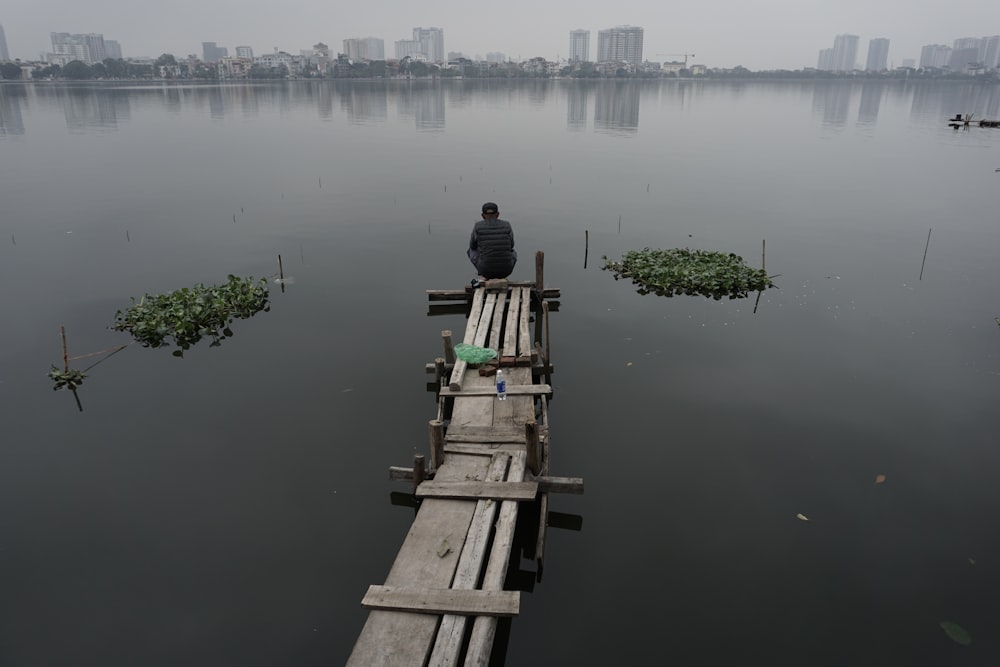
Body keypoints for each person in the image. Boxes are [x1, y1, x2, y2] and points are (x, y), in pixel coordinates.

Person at [467, 202, 517, 281]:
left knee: (471, 250)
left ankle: (482, 273)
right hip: (506, 271)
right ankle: (501, 275)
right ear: (498, 214)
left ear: (482, 216)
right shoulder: (507, 225)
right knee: (513, 252)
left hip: (485, 271)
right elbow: (511, 246)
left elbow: (472, 246)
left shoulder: (478, 226)